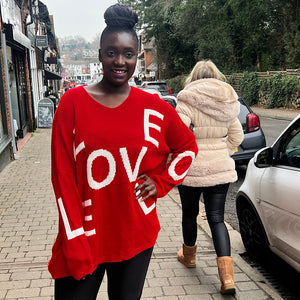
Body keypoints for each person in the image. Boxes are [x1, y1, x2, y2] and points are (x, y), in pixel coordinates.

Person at [48, 4, 198, 300]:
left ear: (136, 58)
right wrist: (74, 237)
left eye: (128, 54)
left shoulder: (154, 107)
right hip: (85, 235)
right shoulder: (72, 103)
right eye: (111, 52)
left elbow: (187, 147)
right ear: (100, 54)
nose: (120, 61)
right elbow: (62, 175)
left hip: (135, 233)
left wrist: (161, 182)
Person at [175, 59, 244, 295]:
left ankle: (189, 257)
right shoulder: (226, 101)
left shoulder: (186, 99)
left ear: (194, 76)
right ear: (216, 75)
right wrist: (222, 151)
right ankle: (227, 279)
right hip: (220, 168)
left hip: (191, 169)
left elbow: (178, 134)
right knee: (217, 219)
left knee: (189, 213)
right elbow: (237, 136)